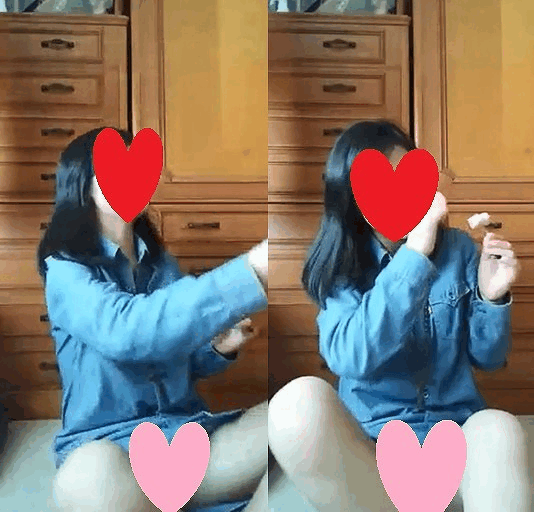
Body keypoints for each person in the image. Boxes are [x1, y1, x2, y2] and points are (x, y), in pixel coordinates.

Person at [268, 120, 530, 511]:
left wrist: (493, 298)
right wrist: (414, 255)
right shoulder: (341, 266)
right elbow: (352, 357)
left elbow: (488, 358)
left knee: (501, 428)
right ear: (352, 197)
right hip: (370, 452)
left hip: (455, 438)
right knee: (295, 404)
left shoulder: (459, 249)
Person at [38, 128, 268, 512]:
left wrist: (216, 349)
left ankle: (176, 497)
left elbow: (178, 355)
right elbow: (127, 331)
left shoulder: (162, 264)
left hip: (188, 442)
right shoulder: (65, 271)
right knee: (88, 476)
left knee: (287, 419)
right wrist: (252, 271)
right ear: (81, 184)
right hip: (110, 449)